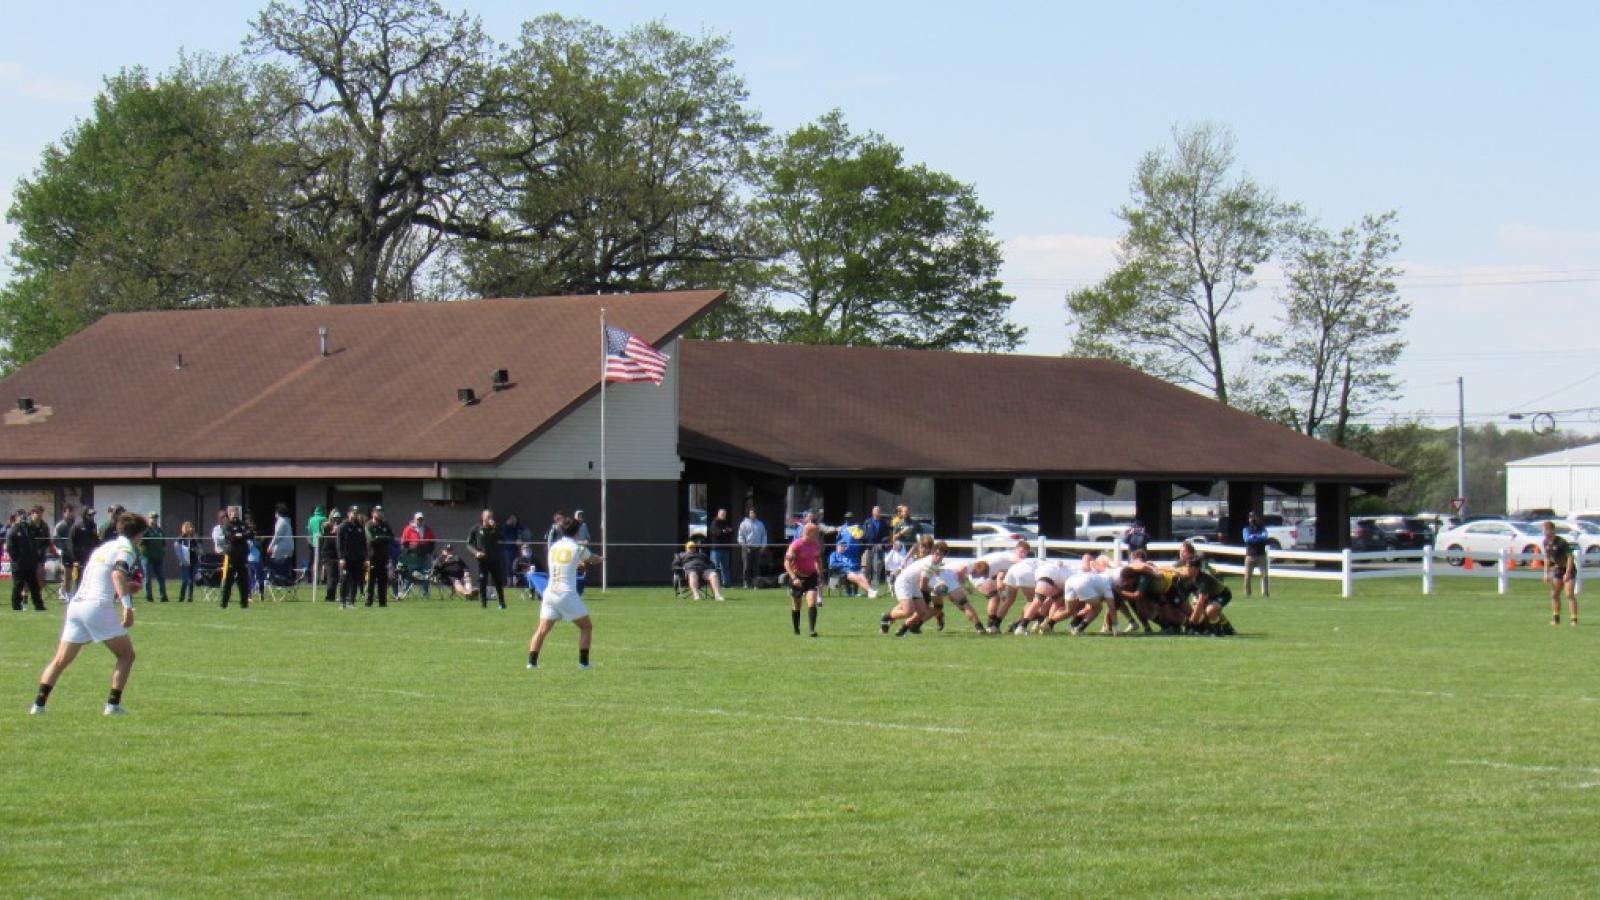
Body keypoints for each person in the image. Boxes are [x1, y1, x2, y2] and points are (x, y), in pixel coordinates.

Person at [29, 512, 148, 716]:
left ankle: (38, 706)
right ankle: (112, 705)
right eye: (142, 535)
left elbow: (106, 578)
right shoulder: (127, 548)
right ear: (137, 534)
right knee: (126, 655)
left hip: (77, 605)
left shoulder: (103, 547)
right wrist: (127, 606)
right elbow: (117, 574)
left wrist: (127, 587)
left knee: (60, 660)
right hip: (97, 606)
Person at [527, 516, 602, 670]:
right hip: (566, 593)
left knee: (542, 630)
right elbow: (592, 559)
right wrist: (600, 558)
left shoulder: (554, 547)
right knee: (586, 627)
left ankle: (531, 663)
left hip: (550, 593)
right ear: (577, 532)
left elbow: (562, 564)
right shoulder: (578, 547)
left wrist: (577, 565)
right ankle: (583, 663)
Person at [880, 541, 950, 637]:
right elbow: (923, 586)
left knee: (922, 612)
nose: (938, 557)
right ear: (933, 552)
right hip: (904, 583)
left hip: (913, 585)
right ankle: (886, 617)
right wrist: (936, 590)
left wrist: (940, 583)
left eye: (941, 555)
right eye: (936, 554)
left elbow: (934, 573)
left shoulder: (935, 562)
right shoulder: (930, 563)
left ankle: (902, 630)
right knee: (908, 611)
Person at [784, 521, 824, 637]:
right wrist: (794, 577)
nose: (817, 535)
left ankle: (812, 630)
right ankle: (796, 630)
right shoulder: (796, 545)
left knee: (812, 601)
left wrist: (820, 575)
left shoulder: (815, 545)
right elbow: (786, 564)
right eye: (815, 533)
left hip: (811, 576)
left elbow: (817, 560)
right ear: (809, 533)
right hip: (797, 577)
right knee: (797, 605)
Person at [8, 506, 46, 611]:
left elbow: (37, 538)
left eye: (24, 515)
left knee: (34, 587)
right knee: (18, 585)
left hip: (30, 563)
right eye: (20, 515)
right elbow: (10, 548)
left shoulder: (30, 528)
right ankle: (16, 606)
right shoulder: (13, 530)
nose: (23, 518)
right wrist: (17, 560)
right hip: (19, 564)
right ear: (16, 517)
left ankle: (39, 606)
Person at [469, 509, 507, 610]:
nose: (490, 519)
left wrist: (495, 527)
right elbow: (469, 543)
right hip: (482, 561)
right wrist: (476, 552)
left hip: (494, 559)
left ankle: (502, 603)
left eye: (491, 516)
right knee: (482, 581)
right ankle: (483, 604)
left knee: (498, 581)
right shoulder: (476, 528)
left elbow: (502, 537)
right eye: (488, 516)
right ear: (483, 517)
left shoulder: (494, 528)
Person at [1542, 520, 1578, 627]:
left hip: (1568, 569)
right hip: (1558, 569)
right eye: (1543, 531)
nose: (1545, 533)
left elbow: (1570, 558)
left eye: (1546, 531)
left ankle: (1574, 620)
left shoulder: (1561, 542)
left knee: (1569, 594)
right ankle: (1556, 619)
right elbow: (1547, 558)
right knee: (1554, 594)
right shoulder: (1545, 542)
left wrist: (1567, 573)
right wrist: (1546, 573)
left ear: (1552, 530)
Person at [219, 506, 255, 609]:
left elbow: (251, 534)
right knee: (228, 581)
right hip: (231, 556)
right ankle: (223, 604)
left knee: (243, 580)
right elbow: (231, 537)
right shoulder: (226, 525)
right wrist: (242, 535)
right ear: (229, 514)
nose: (234, 515)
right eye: (232, 514)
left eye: (236, 513)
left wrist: (240, 535)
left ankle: (244, 604)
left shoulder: (243, 524)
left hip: (242, 555)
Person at [335, 506, 367, 609]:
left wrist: (365, 558)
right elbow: (339, 544)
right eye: (353, 512)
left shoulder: (360, 527)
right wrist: (341, 558)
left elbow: (363, 543)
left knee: (355, 580)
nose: (355, 514)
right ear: (349, 513)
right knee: (344, 579)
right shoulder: (343, 526)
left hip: (357, 558)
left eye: (356, 513)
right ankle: (342, 602)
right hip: (346, 558)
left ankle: (351, 602)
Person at [399, 512, 437, 598]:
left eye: (422, 519)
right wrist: (408, 552)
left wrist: (429, 551)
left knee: (427, 573)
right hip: (413, 556)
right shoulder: (408, 529)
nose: (420, 521)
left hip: (425, 555)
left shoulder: (427, 529)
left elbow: (432, 542)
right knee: (410, 573)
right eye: (418, 519)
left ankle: (425, 593)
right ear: (414, 519)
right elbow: (403, 543)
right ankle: (404, 591)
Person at [365, 506, 395, 607]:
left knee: (383, 580)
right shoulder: (369, 524)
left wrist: (380, 537)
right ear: (373, 513)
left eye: (381, 512)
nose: (380, 514)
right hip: (373, 556)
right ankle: (369, 601)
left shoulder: (386, 525)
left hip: (384, 556)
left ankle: (383, 602)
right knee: (371, 580)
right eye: (378, 512)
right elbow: (371, 539)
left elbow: (391, 537)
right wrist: (382, 538)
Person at [1241, 512, 1271, 598]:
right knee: (1247, 577)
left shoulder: (1262, 528)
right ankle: (1247, 594)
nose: (1252, 519)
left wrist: (1254, 537)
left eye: (1254, 517)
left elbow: (1264, 537)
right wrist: (1258, 537)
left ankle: (1265, 593)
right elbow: (1247, 539)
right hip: (1250, 556)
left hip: (1261, 555)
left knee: (1264, 575)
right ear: (1249, 519)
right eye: (1251, 517)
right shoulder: (1246, 529)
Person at [736, 507, 767, 589]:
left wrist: (763, 546)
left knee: (756, 566)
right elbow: (740, 536)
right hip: (747, 548)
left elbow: (764, 535)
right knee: (746, 566)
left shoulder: (760, 524)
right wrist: (745, 546)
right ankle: (746, 583)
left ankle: (756, 584)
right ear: (748, 514)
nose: (752, 514)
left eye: (754, 513)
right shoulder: (743, 523)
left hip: (757, 548)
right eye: (751, 513)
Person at [141, 512, 169, 603]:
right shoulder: (145, 531)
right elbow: (141, 544)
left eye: (156, 518)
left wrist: (162, 552)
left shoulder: (160, 531)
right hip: (147, 558)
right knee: (148, 577)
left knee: (161, 577)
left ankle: (163, 596)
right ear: (149, 519)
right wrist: (146, 553)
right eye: (152, 518)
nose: (154, 519)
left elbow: (164, 544)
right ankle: (149, 596)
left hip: (158, 557)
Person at [316, 511, 342, 602]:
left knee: (336, 577)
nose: (337, 521)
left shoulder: (338, 528)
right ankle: (330, 597)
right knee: (332, 577)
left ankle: (335, 596)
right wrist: (333, 529)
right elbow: (324, 526)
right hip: (329, 555)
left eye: (338, 519)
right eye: (335, 519)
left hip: (335, 555)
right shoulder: (327, 527)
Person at [267, 503, 295, 585]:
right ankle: (285, 580)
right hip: (290, 546)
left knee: (277, 563)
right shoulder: (287, 521)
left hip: (282, 547)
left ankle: (278, 581)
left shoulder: (281, 521)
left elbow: (277, 536)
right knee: (285, 563)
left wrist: (270, 546)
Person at [53, 505, 78, 596]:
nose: (70, 514)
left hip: (74, 554)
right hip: (64, 553)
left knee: (75, 575)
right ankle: (66, 593)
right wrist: (63, 548)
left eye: (72, 512)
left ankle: (67, 591)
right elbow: (55, 540)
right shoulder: (60, 525)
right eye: (68, 512)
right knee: (67, 574)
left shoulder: (75, 525)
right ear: (64, 513)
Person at [708, 508, 735, 583]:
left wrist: (725, 531)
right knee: (714, 567)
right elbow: (716, 532)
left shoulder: (727, 522)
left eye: (724, 514)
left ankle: (726, 583)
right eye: (722, 514)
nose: (723, 515)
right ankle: (713, 582)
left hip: (725, 548)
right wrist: (725, 531)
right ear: (718, 514)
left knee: (725, 567)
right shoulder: (714, 522)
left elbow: (732, 532)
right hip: (716, 549)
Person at [174, 521, 199, 603]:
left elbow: (197, 548)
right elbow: (177, 548)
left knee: (191, 580)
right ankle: (181, 597)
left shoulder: (193, 538)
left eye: (191, 526)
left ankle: (190, 597)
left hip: (193, 561)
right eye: (187, 527)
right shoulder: (180, 538)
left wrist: (195, 550)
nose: (190, 528)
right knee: (185, 580)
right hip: (184, 562)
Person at [306, 505, 328, 571]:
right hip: (322, 540)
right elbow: (325, 530)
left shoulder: (311, 519)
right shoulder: (324, 518)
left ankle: (311, 578)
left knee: (313, 559)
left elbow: (309, 530)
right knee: (322, 559)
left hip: (313, 540)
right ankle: (321, 578)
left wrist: (310, 540)